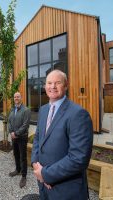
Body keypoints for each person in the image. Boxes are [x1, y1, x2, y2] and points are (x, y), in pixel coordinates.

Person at [31, 70, 93, 200]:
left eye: (57, 83)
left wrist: (45, 174)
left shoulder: (78, 114)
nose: (52, 86)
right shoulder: (43, 110)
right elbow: (37, 139)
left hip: (66, 190)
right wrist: (35, 164)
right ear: (45, 86)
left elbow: (78, 158)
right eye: (49, 83)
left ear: (65, 86)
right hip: (43, 186)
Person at [8, 92, 31, 188]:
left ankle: (24, 175)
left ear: (21, 98)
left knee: (23, 156)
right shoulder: (12, 109)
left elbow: (25, 125)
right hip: (14, 137)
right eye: (15, 97)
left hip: (22, 137)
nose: (16, 98)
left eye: (18, 97)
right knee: (16, 154)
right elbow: (9, 122)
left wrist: (16, 133)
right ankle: (18, 170)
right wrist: (11, 132)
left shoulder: (26, 110)